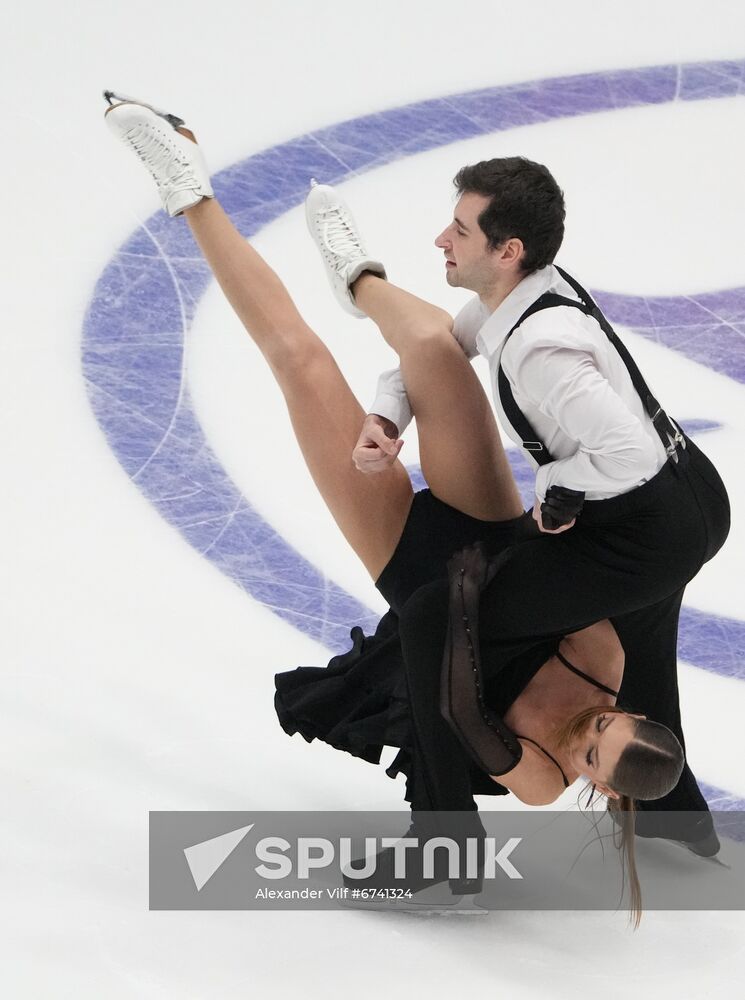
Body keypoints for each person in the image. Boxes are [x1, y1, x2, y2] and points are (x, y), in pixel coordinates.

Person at [103, 94, 687, 918]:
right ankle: (361, 277)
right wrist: (396, 423)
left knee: (299, 361)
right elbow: (548, 563)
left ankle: (186, 187)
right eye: (612, 722)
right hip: (483, 526)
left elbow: (451, 692)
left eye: (597, 746)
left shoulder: (538, 782)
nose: (593, 725)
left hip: (413, 573)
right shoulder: (606, 665)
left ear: (598, 785)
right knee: (425, 349)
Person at [302, 162, 730, 858]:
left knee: (436, 618)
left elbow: (625, 454)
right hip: (686, 504)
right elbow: (440, 349)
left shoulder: (538, 348)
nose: (442, 238)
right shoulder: (529, 295)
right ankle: (676, 816)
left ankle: (440, 845)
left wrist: (559, 483)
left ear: (508, 251)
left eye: (461, 229)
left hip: (647, 525)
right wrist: (387, 412)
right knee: (644, 650)